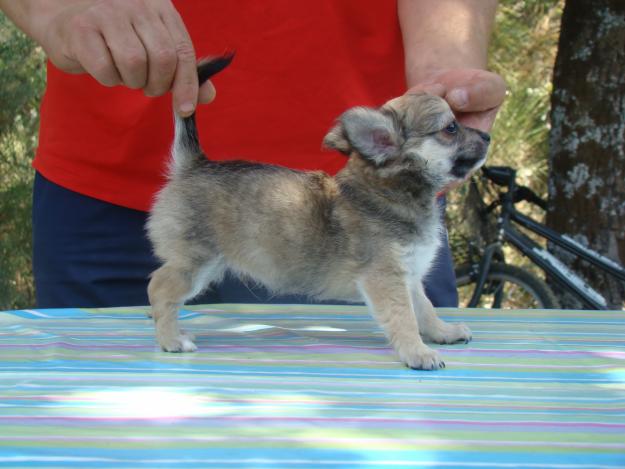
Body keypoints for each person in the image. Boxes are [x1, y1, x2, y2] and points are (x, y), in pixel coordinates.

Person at [0, 0, 506, 308]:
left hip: (359, 206)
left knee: (393, 427)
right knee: (98, 446)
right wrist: (58, 10)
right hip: (101, 191)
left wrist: (444, 87)